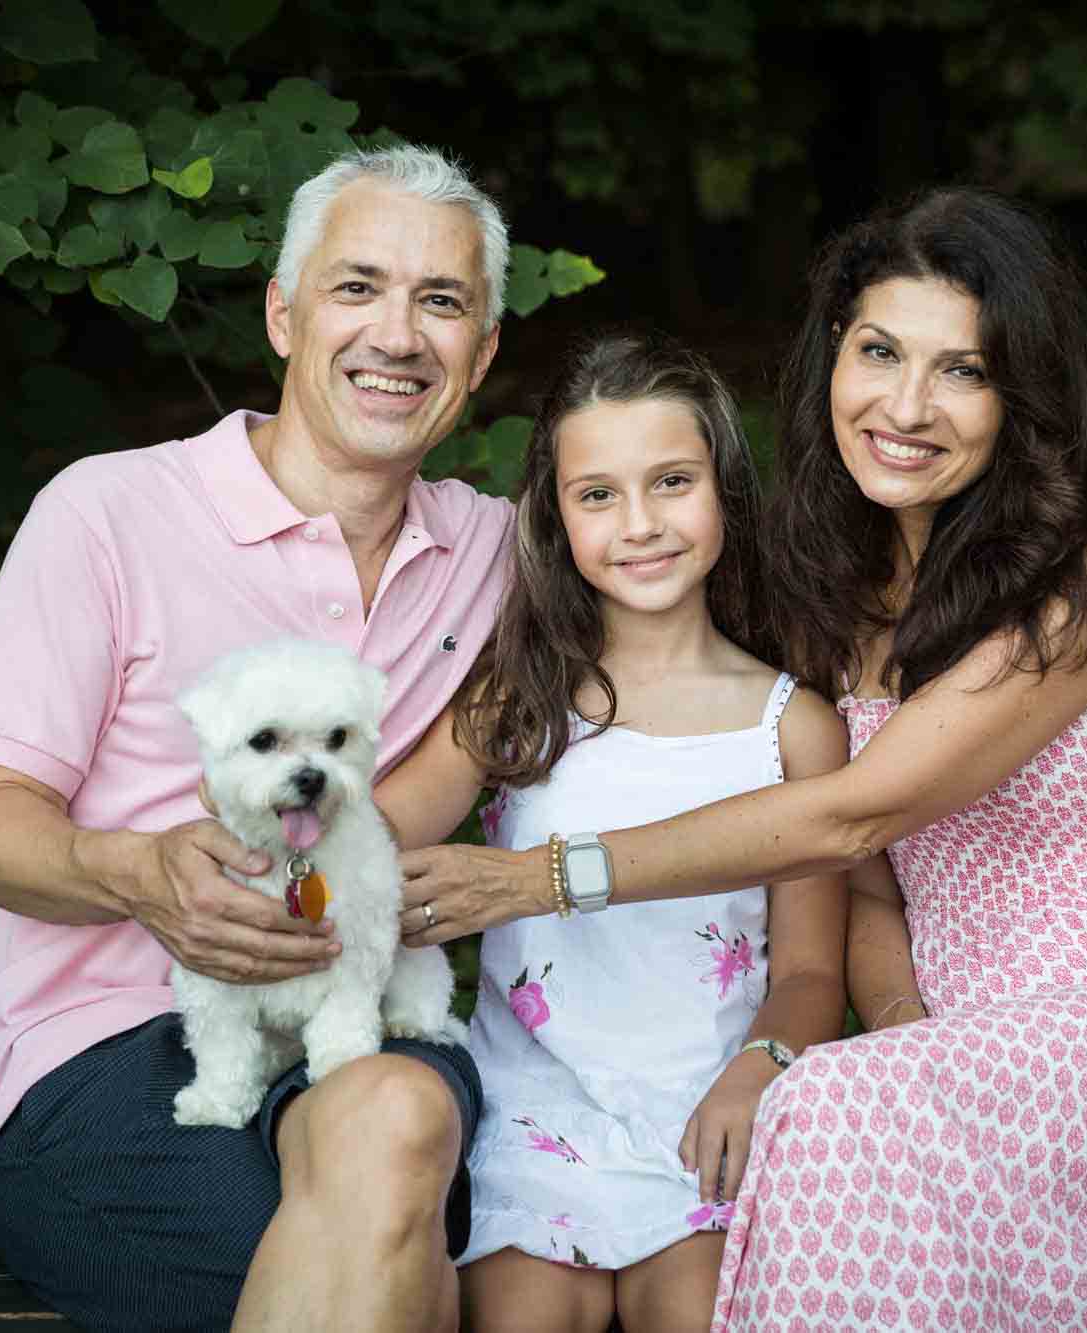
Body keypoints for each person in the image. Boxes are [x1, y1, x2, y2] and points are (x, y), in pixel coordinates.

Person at [396, 187, 1087, 1330]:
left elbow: (856, 812)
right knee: (864, 1109)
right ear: (829, 361)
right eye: (879, 352)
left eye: (963, 370)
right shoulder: (821, 602)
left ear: (1022, 396)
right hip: (960, 1047)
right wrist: (904, 1034)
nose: (907, 404)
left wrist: (541, 876)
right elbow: (863, 886)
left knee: (830, 1114)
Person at [0, 144, 516, 1332]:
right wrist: (140, 870)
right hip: (98, 1045)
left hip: (346, 1009)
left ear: (485, 350)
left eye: (442, 301)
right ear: (282, 313)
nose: (397, 336)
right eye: (356, 286)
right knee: (355, 1258)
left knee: (400, 1130)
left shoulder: (501, 553)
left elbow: (706, 575)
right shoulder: (107, 512)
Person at [370, 332, 852, 1333]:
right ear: (555, 518)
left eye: (670, 481)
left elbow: (810, 973)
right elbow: (379, 832)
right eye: (597, 495)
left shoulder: (790, 727)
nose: (639, 524)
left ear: (723, 488)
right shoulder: (521, 701)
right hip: (537, 1115)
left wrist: (756, 1073)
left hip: (706, 1112)